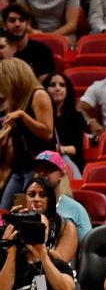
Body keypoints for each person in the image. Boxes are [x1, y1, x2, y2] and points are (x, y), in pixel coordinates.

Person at [0, 58, 57, 210]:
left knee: (30, 213)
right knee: (4, 211)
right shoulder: (16, 99)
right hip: (20, 165)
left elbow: (47, 133)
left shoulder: (38, 94)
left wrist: (23, 116)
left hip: (39, 166)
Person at [2, 3, 55, 76]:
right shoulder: (1, 51)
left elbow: (44, 84)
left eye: (21, 20)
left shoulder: (42, 51)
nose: (17, 24)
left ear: (27, 24)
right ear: (5, 25)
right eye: (12, 20)